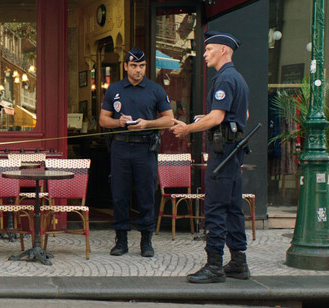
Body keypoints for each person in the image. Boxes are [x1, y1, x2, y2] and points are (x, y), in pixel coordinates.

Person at [171, 31, 250, 284]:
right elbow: (243, 115)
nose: (204, 54)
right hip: (233, 152)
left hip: (223, 153)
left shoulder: (224, 79)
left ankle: (214, 265)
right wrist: (205, 121)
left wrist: (187, 128)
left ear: (223, 50)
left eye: (209, 49)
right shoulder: (238, 78)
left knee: (215, 208)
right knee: (233, 209)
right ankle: (239, 262)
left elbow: (217, 118)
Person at [99, 46, 174, 258]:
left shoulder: (155, 89)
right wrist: (117, 121)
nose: (138, 70)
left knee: (146, 193)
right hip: (121, 146)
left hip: (145, 147)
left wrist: (147, 123)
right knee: (120, 194)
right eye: (134, 66)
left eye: (141, 66)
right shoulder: (114, 89)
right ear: (125, 66)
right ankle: (121, 240)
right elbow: (103, 120)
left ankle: (146, 240)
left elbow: (169, 119)